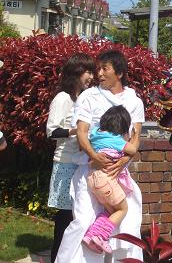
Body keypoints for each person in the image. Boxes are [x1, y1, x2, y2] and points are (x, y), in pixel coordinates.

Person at [56, 49, 145, 263]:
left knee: (127, 223)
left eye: (105, 69)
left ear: (120, 73)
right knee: (83, 221)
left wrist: (123, 161)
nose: (99, 74)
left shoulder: (134, 101)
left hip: (118, 174)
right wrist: (94, 156)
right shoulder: (89, 96)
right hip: (89, 172)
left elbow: (136, 138)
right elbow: (81, 132)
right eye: (99, 69)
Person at [46, 53, 95, 263]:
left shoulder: (81, 99)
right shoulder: (63, 98)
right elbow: (51, 131)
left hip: (80, 163)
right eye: (88, 72)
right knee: (66, 216)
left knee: (78, 215)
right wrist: (78, 131)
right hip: (66, 163)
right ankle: (56, 257)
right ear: (76, 73)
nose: (92, 77)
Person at [83, 105, 139, 254]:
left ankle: (91, 235)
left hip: (93, 180)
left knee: (110, 212)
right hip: (106, 180)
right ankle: (101, 236)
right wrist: (133, 137)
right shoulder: (114, 139)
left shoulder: (95, 133)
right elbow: (132, 150)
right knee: (122, 209)